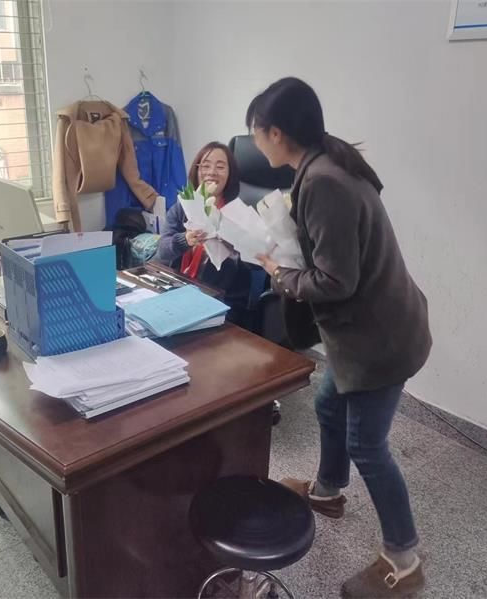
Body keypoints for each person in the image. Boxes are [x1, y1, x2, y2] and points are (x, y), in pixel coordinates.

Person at [248, 77, 432, 598]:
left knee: (367, 445)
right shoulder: (326, 163)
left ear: (276, 133)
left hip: (379, 341)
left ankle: (405, 559)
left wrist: (279, 274)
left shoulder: (324, 181)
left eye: (257, 132)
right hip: (372, 331)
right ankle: (328, 491)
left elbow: (336, 281)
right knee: (329, 404)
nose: (256, 142)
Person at [157, 142, 256, 328]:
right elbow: (163, 250)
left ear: (230, 174)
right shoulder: (183, 207)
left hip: (222, 301)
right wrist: (185, 240)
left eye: (220, 167)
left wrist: (235, 243)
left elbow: (254, 263)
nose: (212, 172)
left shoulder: (237, 213)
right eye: (205, 165)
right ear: (197, 171)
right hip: (179, 291)